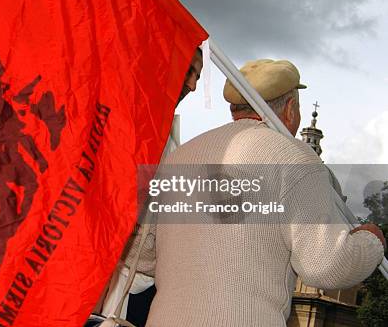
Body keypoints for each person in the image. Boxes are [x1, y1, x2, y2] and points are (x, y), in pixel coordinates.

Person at [142, 59, 386, 326]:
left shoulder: (181, 156)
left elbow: (141, 255)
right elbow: (325, 267)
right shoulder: (294, 157)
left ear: (235, 108)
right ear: (291, 108)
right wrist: (370, 242)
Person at [87, 47, 204, 327]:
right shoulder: (125, 116)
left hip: (135, 284)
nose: (193, 85)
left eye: (198, 77)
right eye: (189, 71)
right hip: (92, 268)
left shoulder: (174, 144)